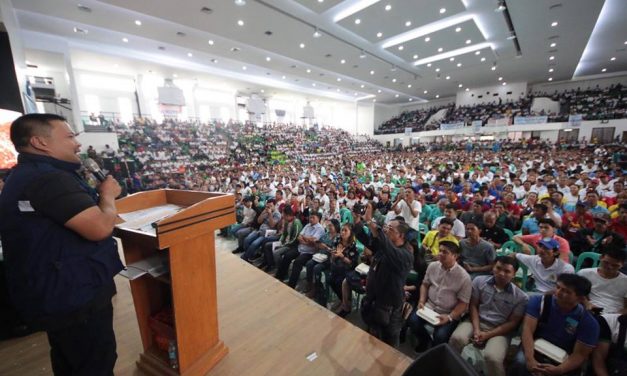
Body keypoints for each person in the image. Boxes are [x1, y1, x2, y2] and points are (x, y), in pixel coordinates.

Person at [0, 114, 123, 375]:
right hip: (73, 293)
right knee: (94, 363)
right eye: (69, 136)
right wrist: (108, 196)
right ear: (39, 142)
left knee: (70, 360)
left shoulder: (23, 175)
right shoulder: (49, 180)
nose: (78, 144)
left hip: (54, 291)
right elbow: (99, 228)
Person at [449, 256, 528, 376]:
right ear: (493, 268)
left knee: (493, 357)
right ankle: (450, 369)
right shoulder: (479, 281)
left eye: (507, 271)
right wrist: (477, 330)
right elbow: (473, 306)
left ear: (514, 274)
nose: (501, 273)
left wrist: (488, 335)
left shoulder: (521, 297)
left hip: (500, 330)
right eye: (498, 268)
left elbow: (512, 322)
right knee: (457, 338)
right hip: (476, 321)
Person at [508, 274, 599, 376]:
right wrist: (530, 359)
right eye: (558, 287)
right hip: (534, 347)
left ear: (581, 298)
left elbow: (580, 354)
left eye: (567, 292)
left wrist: (559, 370)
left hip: (564, 357)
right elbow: (527, 330)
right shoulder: (539, 302)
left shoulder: (588, 322)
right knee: (520, 363)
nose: (559, 292)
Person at [356, 204, 413, 347]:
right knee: (373, 335)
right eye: (386, 227)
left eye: (390, 229)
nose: (386, 230)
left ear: (401, 235)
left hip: (390, 307)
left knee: (389, 342)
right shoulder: (385, 247)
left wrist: (370, 222)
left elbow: (388, 248)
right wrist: (358, 221)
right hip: (374, 300)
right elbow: (367, 241)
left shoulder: (404, 254)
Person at [408, 240, 471, 352]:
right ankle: (425, 340)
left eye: (445, 252)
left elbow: (463, 303)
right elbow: (425, 284)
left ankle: (434, 352)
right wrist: (421, 300)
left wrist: (449, 317)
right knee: (413, 321)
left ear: (455, 256)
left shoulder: (464, 277)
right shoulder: (433, 266)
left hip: (448, 312)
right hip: (430, 306)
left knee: (440, 336)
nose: (440, 254)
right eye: (440, 251)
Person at [275, 212, 325, 288]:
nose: (310, 219)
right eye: (310, 217)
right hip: (300, 247)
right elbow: (299, 237)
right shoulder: (308, 225)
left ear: (318, 219)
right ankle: (280, 276)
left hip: (309, 252)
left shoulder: (320, 229)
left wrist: (305, 238)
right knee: (287, 255)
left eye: (313, 218)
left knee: (297, 262)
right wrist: (307, 239)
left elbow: (313, 241)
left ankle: (291, 285)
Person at [577, 246, 627, 315]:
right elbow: (576, 293)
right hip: (588, 309)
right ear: (601, 258)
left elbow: (625, 308)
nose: (609, 267)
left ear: (622, 264)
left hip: (614, 314)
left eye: (615, 265)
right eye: (606, 262)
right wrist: (586, 303)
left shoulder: (625, 281)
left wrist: (617, 316)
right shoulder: (584, 273)